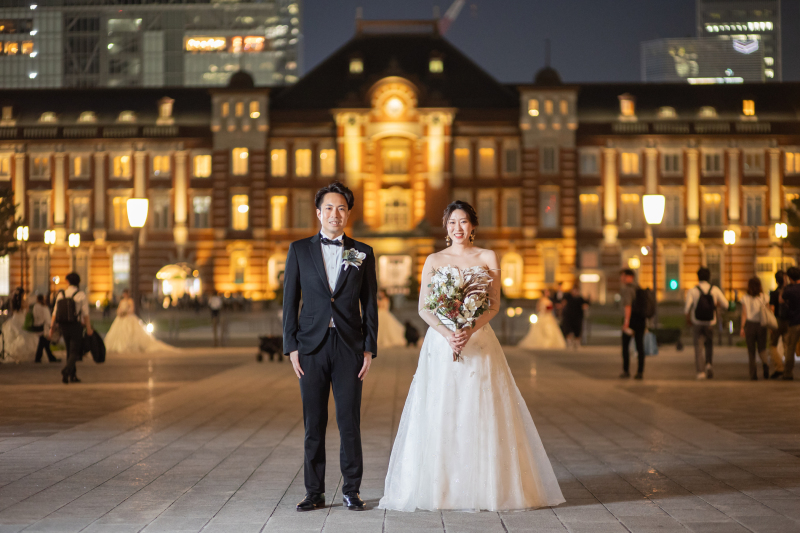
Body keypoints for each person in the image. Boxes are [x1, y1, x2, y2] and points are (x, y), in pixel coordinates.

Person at [379, 200, 564, 512]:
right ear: (446, 226)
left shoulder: (487, 257)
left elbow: (493, 305)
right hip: (441, 343)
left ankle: (486, 486)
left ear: (473, 225)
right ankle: (441, 487)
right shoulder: (434, 259)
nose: (457, 228)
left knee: (479, 407)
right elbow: (425, 307)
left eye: (463, 222)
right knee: (442, 408)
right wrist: (449, 332)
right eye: (452, 223)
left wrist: (469, 328)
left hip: (478, 341)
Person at [283, 182, 378, 512]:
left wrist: (369, 349)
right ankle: (315, 492)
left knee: (349, 422)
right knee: (314, 424)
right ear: (318, 212)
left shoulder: (359, 251)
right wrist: (291, 346)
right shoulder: (299, 250)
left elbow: (370, 303)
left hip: (349, 347)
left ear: (348, 213)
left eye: (341, 208)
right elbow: (289, 301)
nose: (335, 214)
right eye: (329, 208)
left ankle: (351, 490)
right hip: (310, 347)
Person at [684, 267, 729, 380]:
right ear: (709, 277)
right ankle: (709, 364)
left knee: (698, 348)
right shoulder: (715, 289)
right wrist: (716, 303)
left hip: (697, 322)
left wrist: (688, 319)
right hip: (710, 322)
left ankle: (700, 372)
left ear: (698, 277)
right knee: (709, 345)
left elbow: (686, 309)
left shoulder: (693, 290)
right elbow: (726, 305)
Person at [104, 289, 176, 353]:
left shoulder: (130, 301)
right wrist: (120, 313)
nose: (125, 295)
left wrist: (125, 312)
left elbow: (132, 310)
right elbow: (119, 309)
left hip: (128, 318)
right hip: (121, 318)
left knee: (131, 332)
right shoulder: (122, 301)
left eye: (126, 293)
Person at [50, 272, 91, 384]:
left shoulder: (61, 294)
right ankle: (67, 371)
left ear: (67, 281)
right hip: (75, 325)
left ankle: (72, 376)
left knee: (69, 350)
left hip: (63, 325)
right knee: (75, 351)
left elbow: (54, 313)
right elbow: (85, 314)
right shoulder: (80, 295)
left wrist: (51, 328)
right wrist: (89, 328)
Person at [740, 277, 771, 380]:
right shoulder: (765, 297)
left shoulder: (745, 298)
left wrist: (742, 327)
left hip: (750, 325)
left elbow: (744, 314)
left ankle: (753, 374)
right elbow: (768, 312)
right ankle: (765, 364)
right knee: (762, 348)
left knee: (751, 351)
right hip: (762, 325)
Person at [619, 269, 646, 379]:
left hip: (631, 321)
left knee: (625, 347)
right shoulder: (639, 288)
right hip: (641, 320)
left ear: (628, 277)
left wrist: (626, 322)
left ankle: (626, 371)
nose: (621, 278)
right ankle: (640, 372)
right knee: (640, 347)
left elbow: (628, 306)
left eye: (622, 276)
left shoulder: (627, 289)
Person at [779, 266, 800, 381]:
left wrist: (784, 285)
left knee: (790, 348)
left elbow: (781, 299)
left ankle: (788, 373)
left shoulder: (790, 290)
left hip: (794, 322)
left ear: (790, 278)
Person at [768, 270, 787, 379]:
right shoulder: (789, 291)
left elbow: (772, 309)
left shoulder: (775, 293)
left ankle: (779, 367)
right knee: (787, 346)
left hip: (777, 321)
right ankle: (788, 369)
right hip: (789, 321)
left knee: (772, 345)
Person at [32, 294, 59, 363]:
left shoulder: (35, 307)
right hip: (44, 327)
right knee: (43, 342)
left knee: (44, 342)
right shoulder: (44, 307)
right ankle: (42, 357)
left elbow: (35, 316)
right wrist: (51, 325)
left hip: (38, 326)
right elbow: (47, 318)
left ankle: (49, 357)